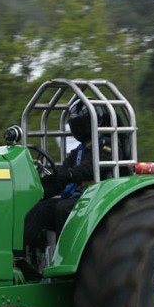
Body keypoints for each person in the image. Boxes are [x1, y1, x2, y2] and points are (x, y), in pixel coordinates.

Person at [23, 99, 112, 253]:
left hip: (99, 198)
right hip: (79, 197)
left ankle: (63, 255)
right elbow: (61, 176)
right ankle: (19, 254)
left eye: (82, 124)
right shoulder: (79, 150)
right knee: (40, 208)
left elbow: (89, 168)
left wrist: (69, 174)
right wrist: (38, 189)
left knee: (62, 208)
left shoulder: (107, 145)